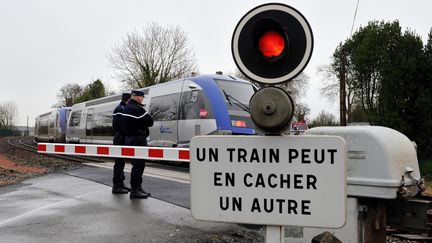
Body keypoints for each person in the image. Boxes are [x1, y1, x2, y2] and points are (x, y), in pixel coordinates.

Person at [122, 90, 154, 199]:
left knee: (137, 165)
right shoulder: (137, 109)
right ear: (138, 97)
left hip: (130, 139)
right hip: (138, 139)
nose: (142, 99)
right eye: (141, 98)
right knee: (139, 165)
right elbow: (150, 121)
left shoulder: (127, 108)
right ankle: (135, 190)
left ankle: (138, 187)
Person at [111, 93, 132, 194]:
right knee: (119, 163)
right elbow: (120, 125)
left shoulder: (121, 107)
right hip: (120, 138)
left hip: (120, 137)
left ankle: (120, 184)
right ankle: (116, 186)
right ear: (128, 100)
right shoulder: (120, 109)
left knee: (121, 162)